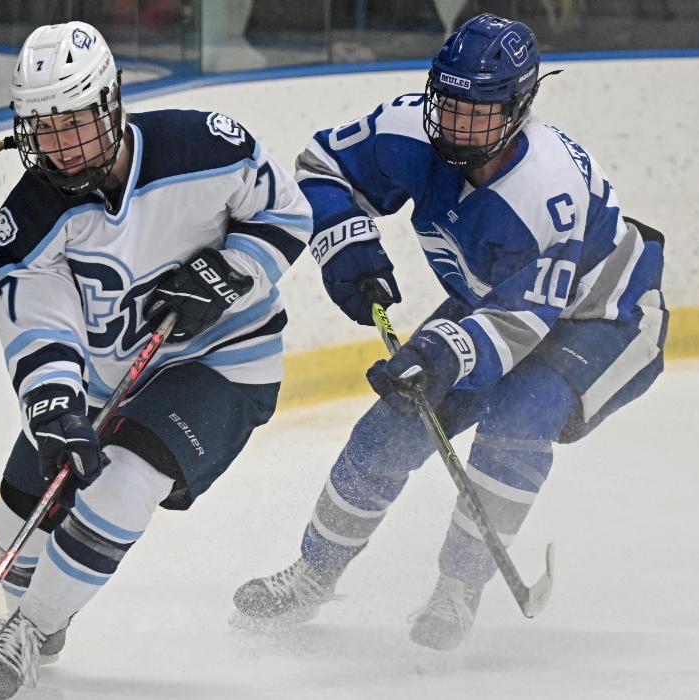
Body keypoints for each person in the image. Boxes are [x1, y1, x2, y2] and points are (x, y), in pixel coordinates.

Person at [232, 12, 668, 651]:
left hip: (606, 318)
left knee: (521, 416)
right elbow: (324, 166)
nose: (456, 123)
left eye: (479, 111)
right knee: (391, 425)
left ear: (519, 108)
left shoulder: (548, 194)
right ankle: (311, 579)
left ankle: (458, 591)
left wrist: (440, 352)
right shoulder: (411, 129)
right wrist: (346, 243)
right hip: (498, 301)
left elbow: (522, 325)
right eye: (449, 102)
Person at [0, 20, 312, 698]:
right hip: (107, 376)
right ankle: (37, 623)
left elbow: (285, 217)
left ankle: (30, 630)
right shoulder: (25, 225)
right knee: (16, 510)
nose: (61, 148)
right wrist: (55, 407)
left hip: (225, 361)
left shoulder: (203, 146)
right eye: (45, 130)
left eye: (76, 125)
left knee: (125, 479)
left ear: (112, 104)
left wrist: (228, 271)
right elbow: (41, 330)